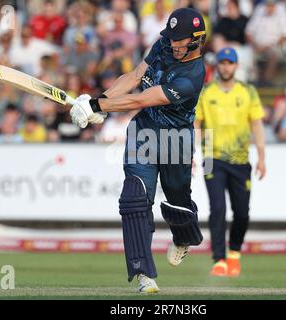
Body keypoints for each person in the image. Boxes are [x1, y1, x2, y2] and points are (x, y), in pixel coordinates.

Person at [69, 8, 207, 293]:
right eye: (170, 38)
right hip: (143, 133)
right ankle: (144, 274)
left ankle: (184, 236)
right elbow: (134, 78)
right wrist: (101, 102)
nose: (172, 44)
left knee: (178, 202)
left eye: (179, 40)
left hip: (175, 140)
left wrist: (98, 107)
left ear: (196, 40)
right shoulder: (163, 45)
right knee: (134, 198)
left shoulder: (193, 75)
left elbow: (145, 98)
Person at [194, 48, 266, 277]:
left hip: (241, 160)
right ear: (217, 66)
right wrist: (192, 155)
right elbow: (196, 124)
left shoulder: (248, 92)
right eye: (222, 63)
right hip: (212, 158)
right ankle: (219, 260)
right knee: (217, 209)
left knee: (242, 213)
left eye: (230, 63)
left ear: (236, 66)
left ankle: (234, 253)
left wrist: (262, 157)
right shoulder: (206, 92)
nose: (226, 67)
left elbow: (257, 124)